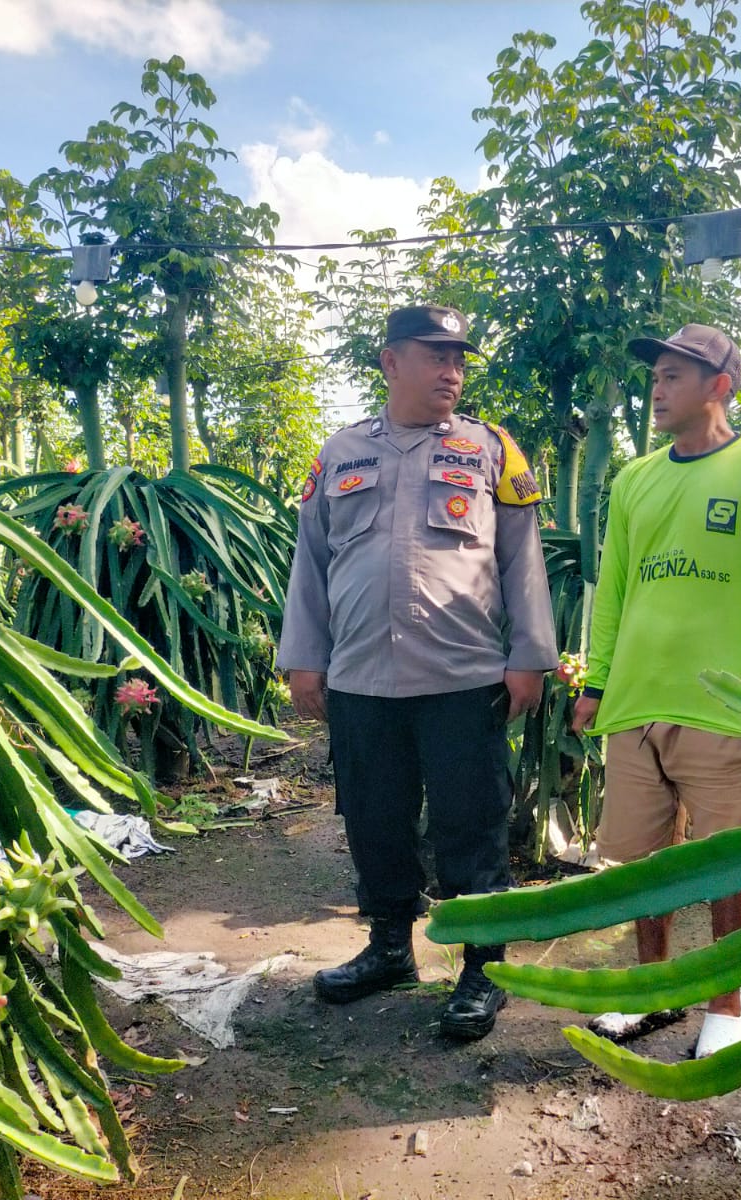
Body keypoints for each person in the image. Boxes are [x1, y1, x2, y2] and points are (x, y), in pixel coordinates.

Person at [277, 304, 557, 1041]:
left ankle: (482, 968)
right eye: (435, 356)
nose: (451, 371)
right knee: (374, 819)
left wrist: (530, 656)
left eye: (459, 358)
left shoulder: (492, 450)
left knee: (473, 822)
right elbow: (312, 561)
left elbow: (522, 559)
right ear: (390, 362)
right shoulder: (340, 453)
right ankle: (390, 949)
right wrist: (304, 656)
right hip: (363, 678)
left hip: (464, 678)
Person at [571, 323, 741, 1059]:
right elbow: (611, 589)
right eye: (656, 375)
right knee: (641, 864)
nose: (658, 387)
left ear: (720, 386)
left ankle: (726, 1006)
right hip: (638, 701)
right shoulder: (635, 480)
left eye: (675, 375)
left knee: (727, 860)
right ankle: (652, 990)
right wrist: (598, 682)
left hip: (722, 702)